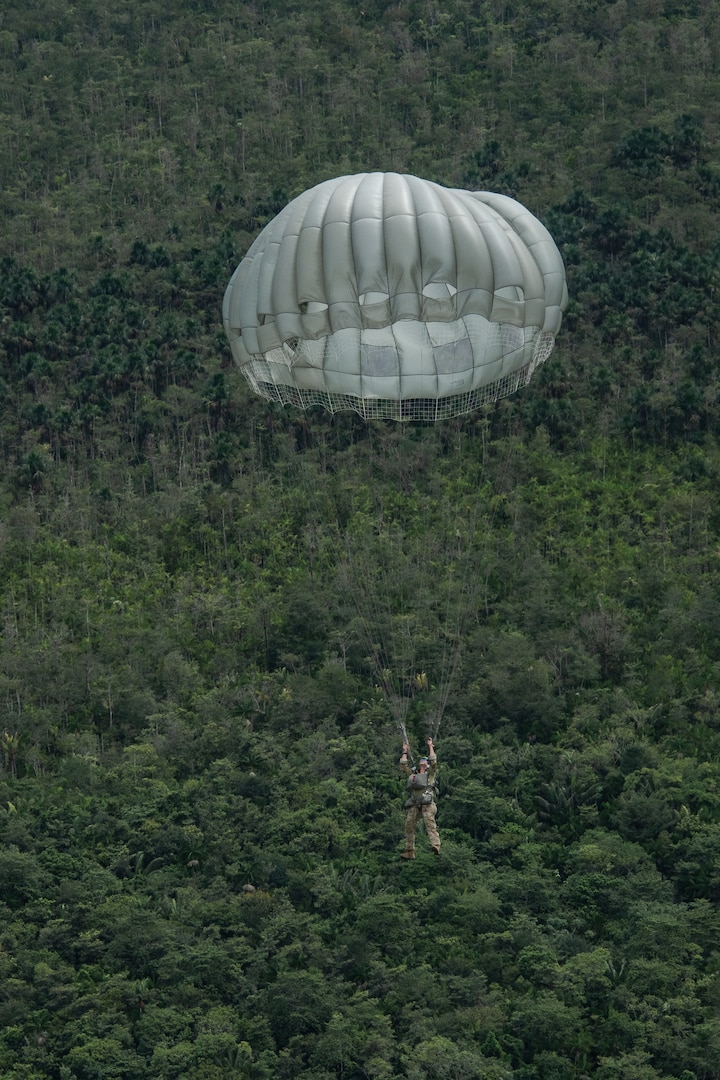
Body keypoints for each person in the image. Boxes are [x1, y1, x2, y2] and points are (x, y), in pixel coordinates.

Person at [399, 737, 440, 858]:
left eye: (425, 760)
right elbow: (403, 765)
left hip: (427, 803)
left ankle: (436, 845)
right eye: (421, 759)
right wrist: (405, 751)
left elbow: (434, 761)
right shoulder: (413, 775)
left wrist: (430, 746)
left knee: (429, 823)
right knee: (409, 825)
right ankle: (409, 851)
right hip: (416, 803)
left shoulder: (430, 774)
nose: (423, 761)